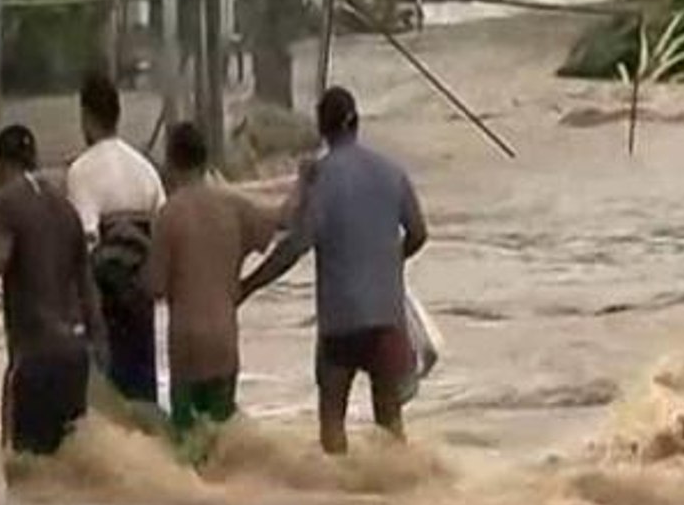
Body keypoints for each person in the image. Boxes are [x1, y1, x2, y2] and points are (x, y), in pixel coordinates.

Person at [239, 87, 428, 455]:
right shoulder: (392, 172)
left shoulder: (321, 179)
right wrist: (390, 263)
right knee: (390, 426)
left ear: (322, 129)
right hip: (386, 317)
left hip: (340, 323)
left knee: (332, 424)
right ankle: (399, 488)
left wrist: (249, 285)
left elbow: (296, 244)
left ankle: (338, 487)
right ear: (357, 122)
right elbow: (419, 233)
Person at [0, 124, 107, 459]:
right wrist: (98, 354)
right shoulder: (65, 208)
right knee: (67, 467)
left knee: (23, 469)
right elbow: (88, 291)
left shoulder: (5, 203)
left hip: (35, 357)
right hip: (75, 357)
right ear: (34, 159)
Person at [146, 123, 277, 440]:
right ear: (206, 161)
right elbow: (274, 228)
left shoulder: (169, 215)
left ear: (171, 162)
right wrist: (248, 281)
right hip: (224, 340)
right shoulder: (234, 206)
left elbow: (155, 286)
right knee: (223, 441)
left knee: (189, 444)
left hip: (186, 345)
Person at [67, 72, 166, 408]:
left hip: (103, 310)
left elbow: (85, 245)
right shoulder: (146, 170)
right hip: (142, 307)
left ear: (85, 116)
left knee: (106, 409)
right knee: (143, 405)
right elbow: (164, 239)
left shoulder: (82, 171)